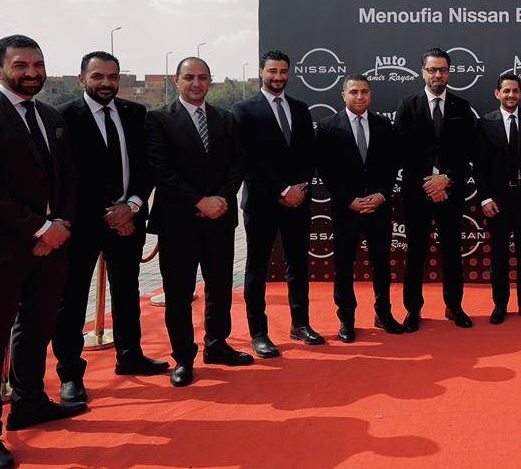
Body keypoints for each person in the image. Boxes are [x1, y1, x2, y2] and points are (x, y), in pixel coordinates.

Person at [0, 35, 84, 469]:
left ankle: (30, 403)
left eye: (38, 65)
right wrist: (42, 228)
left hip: (50, 247)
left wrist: (60, 225)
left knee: (37, 329)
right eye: (21, 65)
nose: (32, 73)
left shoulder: (51, 116)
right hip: (0, 251)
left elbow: (69, 177)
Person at [53, 51, 168, 407]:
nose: (106, 83)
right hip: (81, 225)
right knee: (72, 299)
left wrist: (131, 206)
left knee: (127, 290)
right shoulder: (62, 117)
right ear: (82, 78)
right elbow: (63, 176)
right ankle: (70, 374)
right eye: (98, 76)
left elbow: (147, 166)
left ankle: (130, 355)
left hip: (128, 220)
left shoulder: (136, 113)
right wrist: (107, 214)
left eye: (112, 77)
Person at [146, 57, 251, 387]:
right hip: (178, 222)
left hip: (220, 218)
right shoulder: (158, 119)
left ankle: (217, 345)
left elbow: (238, 163)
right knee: (179, 293)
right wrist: (199, 201)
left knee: (220, 288)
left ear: (210, 81)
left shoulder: (226, 119)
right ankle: (183, 357)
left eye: (203, 77)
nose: (196, 83)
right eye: (189, 77)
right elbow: (160, 169)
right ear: (176, 80)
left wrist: (220, 198)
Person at [232, 50, 323, 358]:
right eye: (272, 71)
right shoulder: (243, 110)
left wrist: (299, 188)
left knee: (298, 265)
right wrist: (282, 190)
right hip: (262, 204)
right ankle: (259, 333)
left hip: (297, 203)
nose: (278, 77)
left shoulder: (300, 109)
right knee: (256, 269)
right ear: (261, 72)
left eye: (283, 71)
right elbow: (247, 160)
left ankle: (301, 324)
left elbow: (309, 153)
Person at [395, 48, 477, 331]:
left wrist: (446, 179)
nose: (437, 75)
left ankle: (454, 306)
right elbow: (402, 151)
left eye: (442, 70)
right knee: (415, 253)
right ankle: (413, 310)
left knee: (452, 252)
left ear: (449, 73)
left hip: (450, 193)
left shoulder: (461, 107)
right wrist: (430, 182)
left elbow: (468, 152)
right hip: (417, 194)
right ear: (423, 72)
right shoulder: (408, 105)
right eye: (432, 70)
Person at [315, 75, 401, 341]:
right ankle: (346, 320)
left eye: (364, 91)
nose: (360, 96)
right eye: (354, 92)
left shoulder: (384, 125)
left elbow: (392, 164)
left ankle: (383, 314)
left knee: (381, 264)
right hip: (346, 209)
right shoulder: (328, 127)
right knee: (344, 265)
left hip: (378, 207)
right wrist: (348, 199)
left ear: (370, 94)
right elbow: (325, 169)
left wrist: (382, 194)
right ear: (343, 95)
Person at [474, 73, 521, 324]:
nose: (511, 95)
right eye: (506, 90)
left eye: (515, 91)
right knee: (499, 256)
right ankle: (500, 306)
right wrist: (485, 198)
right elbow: (479, 166)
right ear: (497, 93)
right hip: (498, 201)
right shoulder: (485, 123)